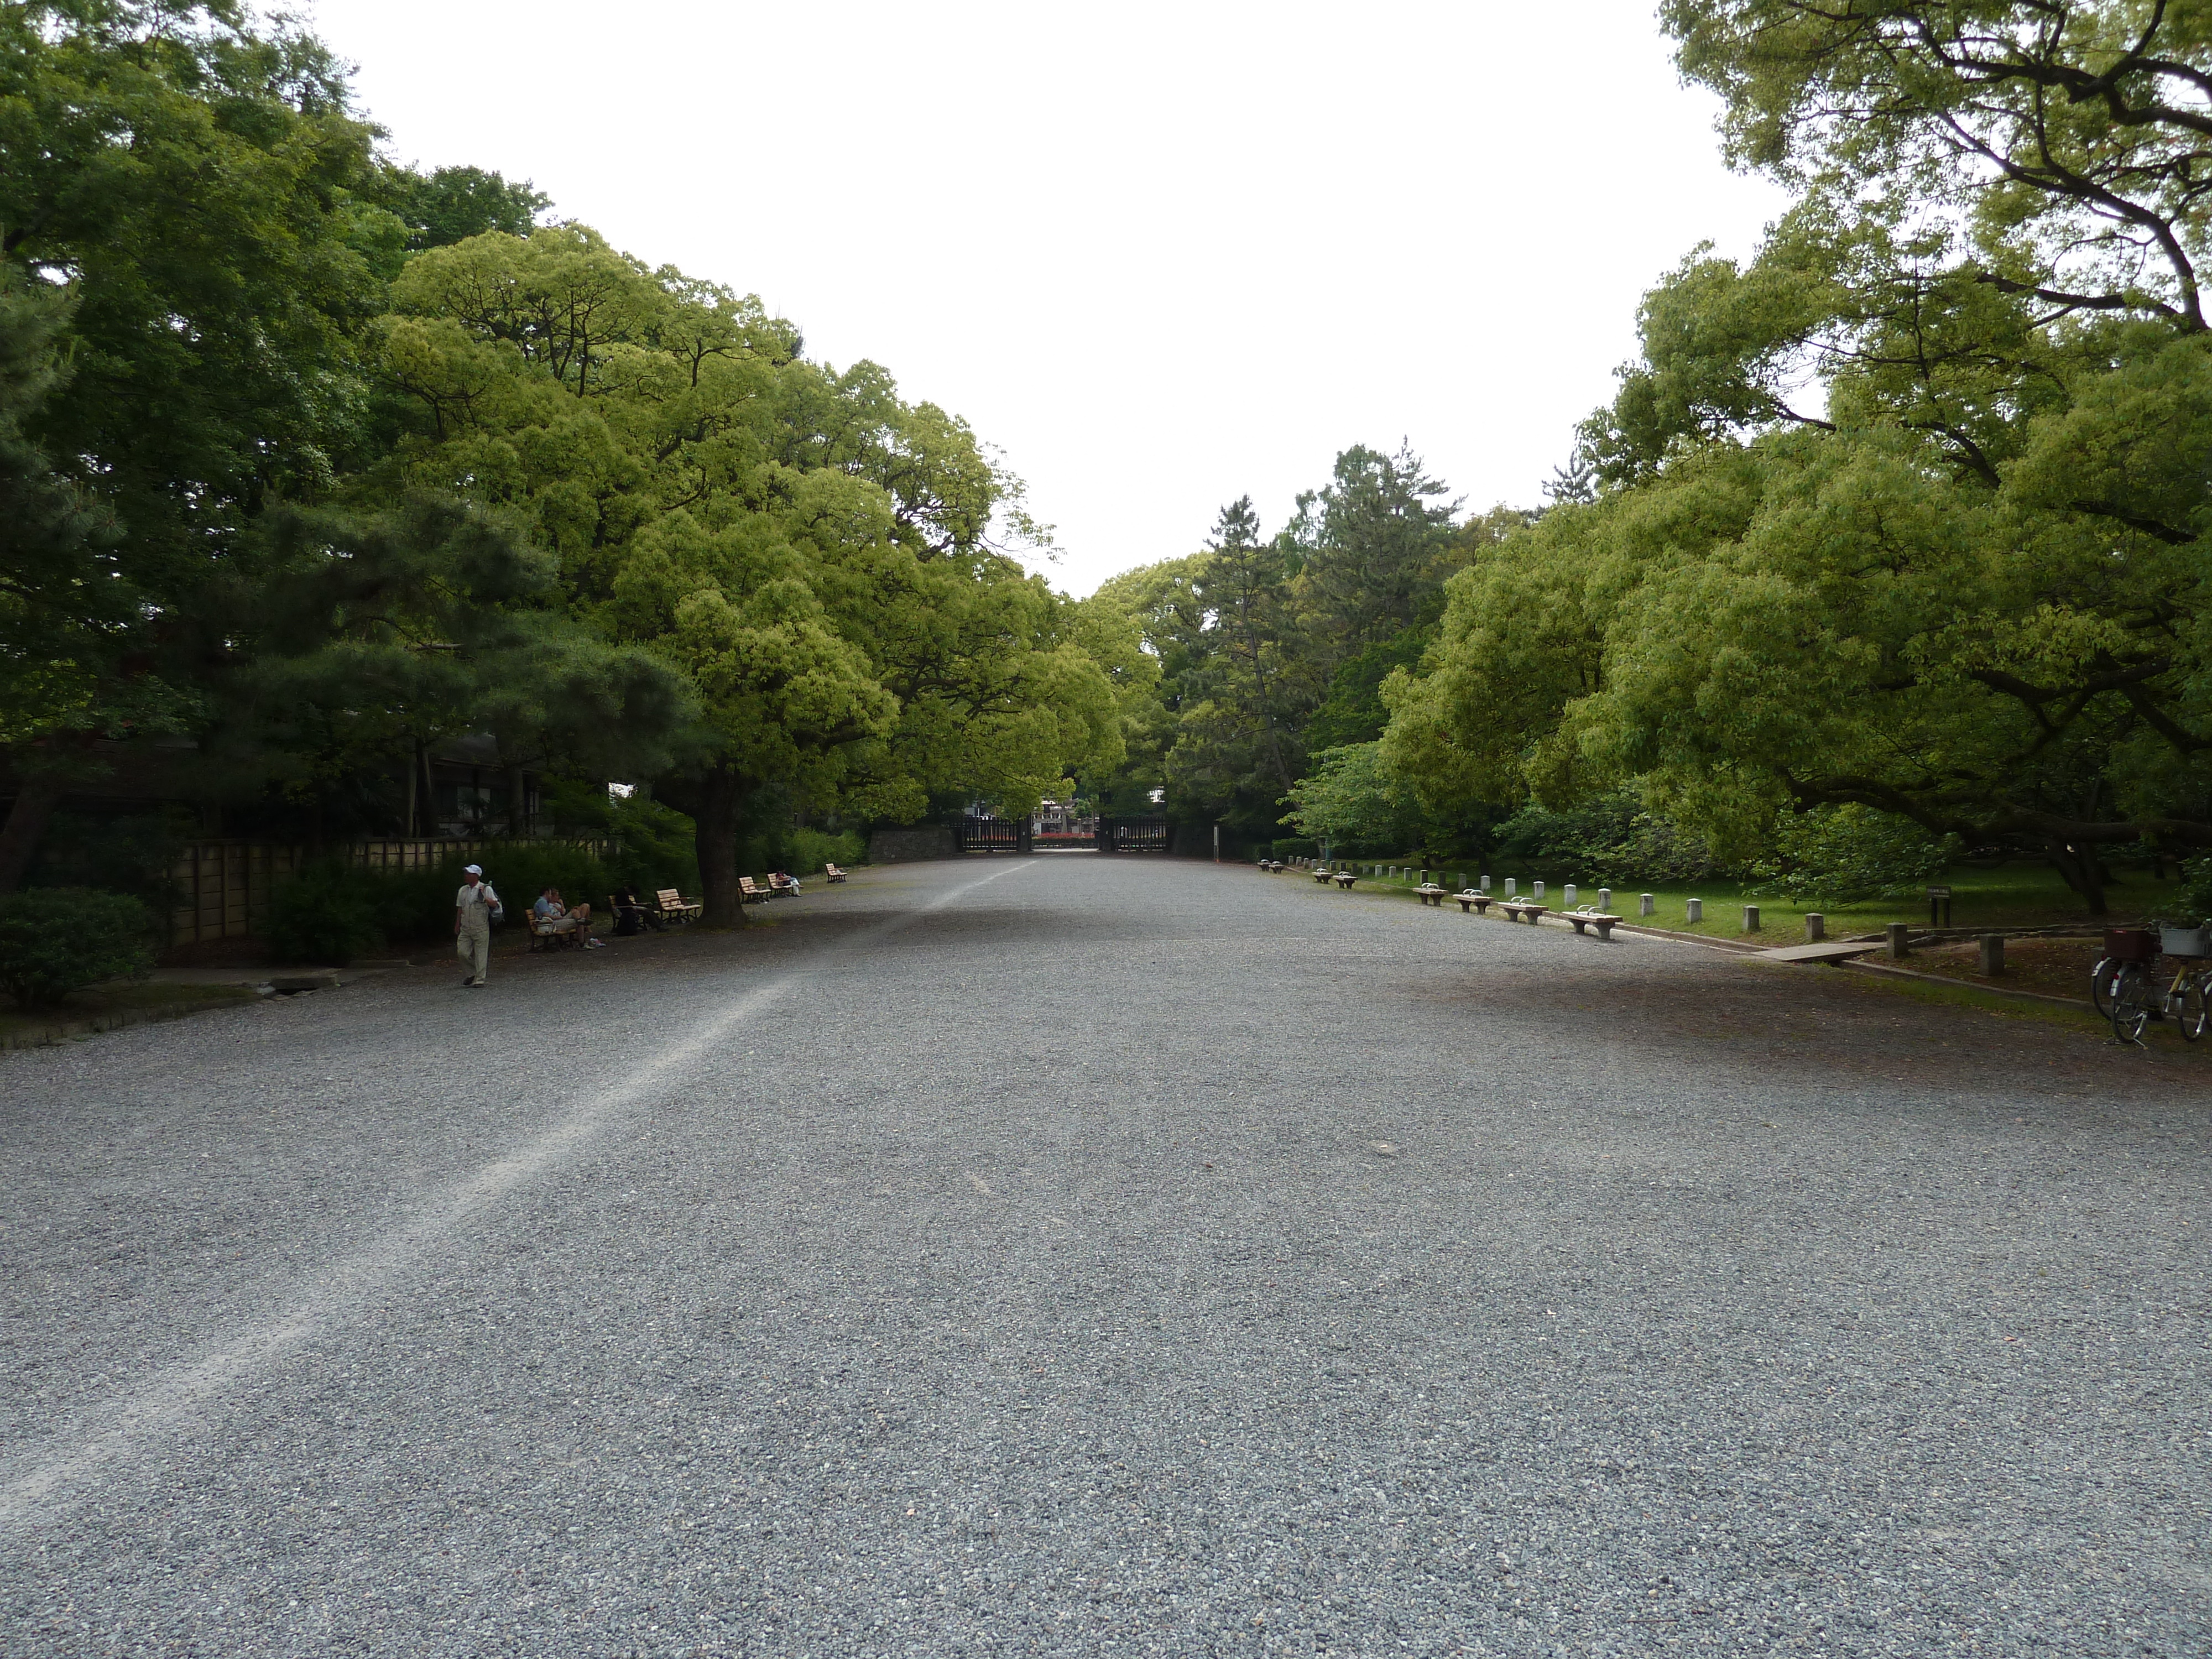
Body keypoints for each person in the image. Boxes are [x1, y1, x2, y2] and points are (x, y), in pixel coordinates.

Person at [454, 864, 499, 987]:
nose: (466, 876)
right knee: (462, 952)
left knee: (481, 954)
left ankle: (480, 979)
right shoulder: (463, 890)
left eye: (469, 874)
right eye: (466, 874)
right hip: (466, 927)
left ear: (476, 876)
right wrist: (457, 924)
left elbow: (495, 904)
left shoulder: (485, 889)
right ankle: (471, 973)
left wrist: (484, 898)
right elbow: (460, 908)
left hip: (481, 926)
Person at [533, 887, 601, 948]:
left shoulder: (543, 902)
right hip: (552, 925)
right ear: (547, 893)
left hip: (554, 923)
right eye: (550, 894)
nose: (551, 896)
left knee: (576, 912)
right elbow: (546, 915)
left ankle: (583, 935)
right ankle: (582, 942)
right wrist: (558, 917)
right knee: (579, 922)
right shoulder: (542, 901)